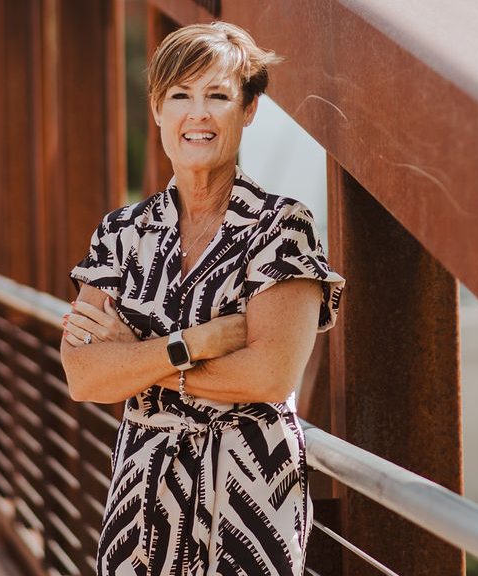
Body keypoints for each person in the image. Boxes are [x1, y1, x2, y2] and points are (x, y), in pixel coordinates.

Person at [59, 22, 344, 575]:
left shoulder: (281, 228)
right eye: (180, 96)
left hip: (248, 493)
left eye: (218, 96)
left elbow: (269, 376)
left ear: (249, 109)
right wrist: (200, 342)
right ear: (156, 109)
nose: (198, 115)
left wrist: (135, 359)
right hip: (142, 492)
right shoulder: (122, 233)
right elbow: (84, 376)